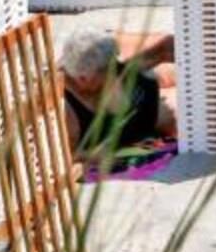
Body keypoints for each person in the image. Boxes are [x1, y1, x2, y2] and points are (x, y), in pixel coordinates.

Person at [56, 27, 179, 164]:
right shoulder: (64, 108)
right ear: (83, 79)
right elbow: (66, 156)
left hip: (136, 115)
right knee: (172, 116)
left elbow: (163, 50)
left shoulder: (104, 65)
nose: (112, 73)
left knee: (167, 79)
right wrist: (91, 156)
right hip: (116, 137)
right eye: (105, 72)